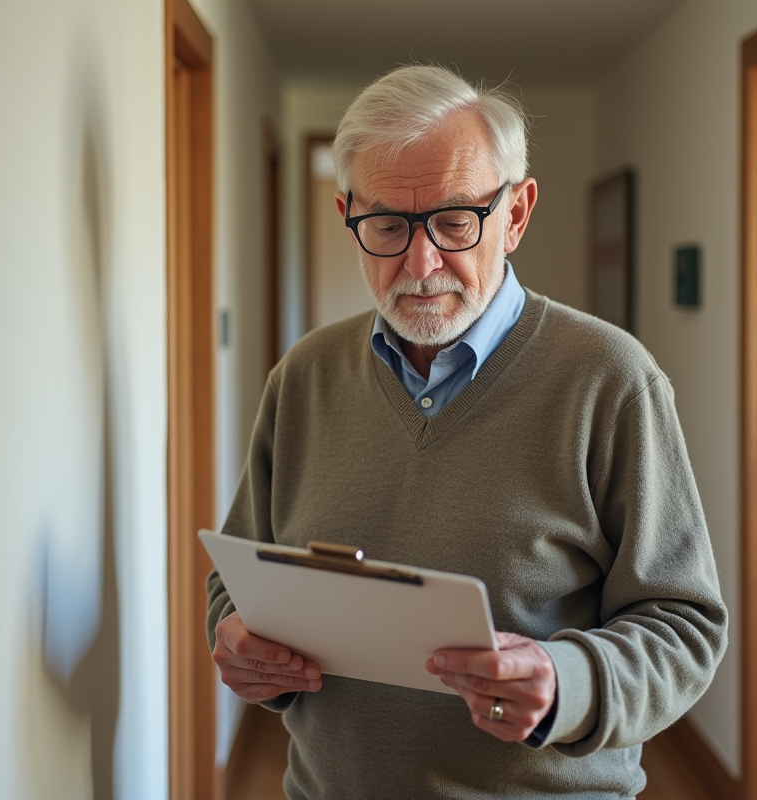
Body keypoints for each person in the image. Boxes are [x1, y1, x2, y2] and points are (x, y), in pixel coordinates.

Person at [206, 64, 727, 799]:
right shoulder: (304, 377)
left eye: (455, 221)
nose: (420, 266)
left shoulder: (611, 380)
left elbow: (686, 626)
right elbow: (238, 584)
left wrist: (566, 680)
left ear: (515, 214)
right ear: (347, 214)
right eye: (387, 225)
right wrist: (239, 644)